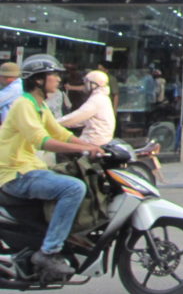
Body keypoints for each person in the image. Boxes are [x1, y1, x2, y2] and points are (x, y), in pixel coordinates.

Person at [0, 54, 103, 279]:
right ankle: (49, 252)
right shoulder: (23, 104)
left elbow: (60, 133)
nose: (57, 79)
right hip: (16, 174)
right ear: (39, 80)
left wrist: (91, 145)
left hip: (30, 168)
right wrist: (82, 150)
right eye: (53, 74)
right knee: (74, 188)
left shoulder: (39, 105)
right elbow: (42, 140)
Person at [58, 70, 115, 146]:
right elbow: (81, 120)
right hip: (100, 140)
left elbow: (76, 117)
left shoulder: (96, 100)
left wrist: (53, 123)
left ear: (94, 85)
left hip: (92, 140)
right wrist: (64, 123)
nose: (85, 86)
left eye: (86, 83)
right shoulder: (103, 98)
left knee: (62, 147)